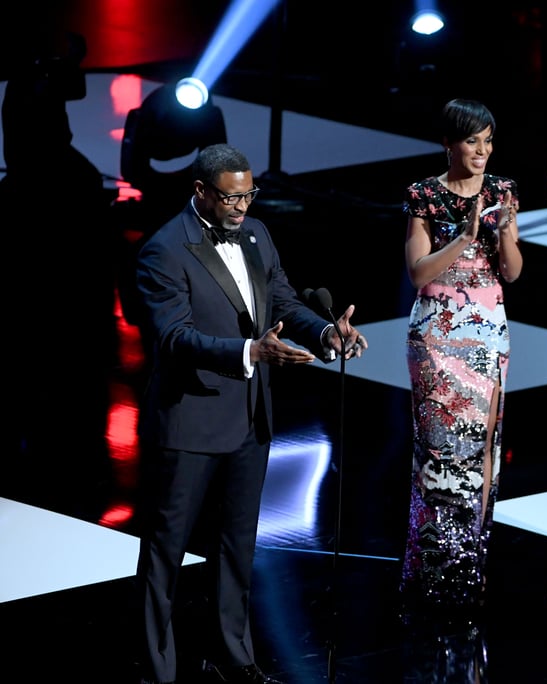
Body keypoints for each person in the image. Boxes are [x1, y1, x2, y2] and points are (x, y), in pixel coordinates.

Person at [133, 143, 368, 684]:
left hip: (250, 420)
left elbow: (282, 302)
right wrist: (250, 353)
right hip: (190, 422)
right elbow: (173, 338)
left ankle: (233, 658)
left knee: (237, 547)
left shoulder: (258, 234)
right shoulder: (164, 251)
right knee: (166, 552)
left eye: (249, 195)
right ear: (201, 192)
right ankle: (156, 668)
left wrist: (326, 332)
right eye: (231, 197)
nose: (242, 206)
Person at [399, 99, 522, 625]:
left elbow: (513, 273)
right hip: (437, 337)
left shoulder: (502, 191)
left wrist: (503, 233)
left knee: (483, 454)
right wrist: (466, 237)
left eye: (489, 141)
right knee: (439, 453)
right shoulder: (424, 194)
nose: (482, 151)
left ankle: (470, 567)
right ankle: (431, 571)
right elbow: (418, 272)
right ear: (450, 142)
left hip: (489, 335)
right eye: (473, 141)